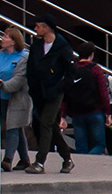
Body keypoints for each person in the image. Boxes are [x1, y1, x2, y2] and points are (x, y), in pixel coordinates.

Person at [24, 15, 75, 174]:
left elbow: (71, 71)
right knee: (50, 125)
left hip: (54, 92)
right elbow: (31, 69)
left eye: (38, 26)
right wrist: (32, 88)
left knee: (45, 123)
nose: (35, 29)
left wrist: (61, 87)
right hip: (39, 92)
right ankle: (67, 158)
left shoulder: (62, 46)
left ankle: (40, 162)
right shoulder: (36, 46)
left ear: (47, 28)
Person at [62, 41, 112, 156]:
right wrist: (108, 113)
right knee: (99, 144)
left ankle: (83, 163)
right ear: (92, 54)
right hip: (94, 111)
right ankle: (91, 159)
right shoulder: (96, 69)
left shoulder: (71, 69)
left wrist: (63, 115)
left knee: (81, 145)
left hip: (76, 112)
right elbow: (103, 92)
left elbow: (65, 93)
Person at [0, 27, 32, 172]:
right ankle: (24, 159)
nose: (2, 39)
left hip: (18, 97)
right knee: (16, 127)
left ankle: (8, 159)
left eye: (5, 36)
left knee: (12, 126)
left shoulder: (24, 57)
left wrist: (3, 84)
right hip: (0, 97)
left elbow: (19, 79)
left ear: (13, 41)